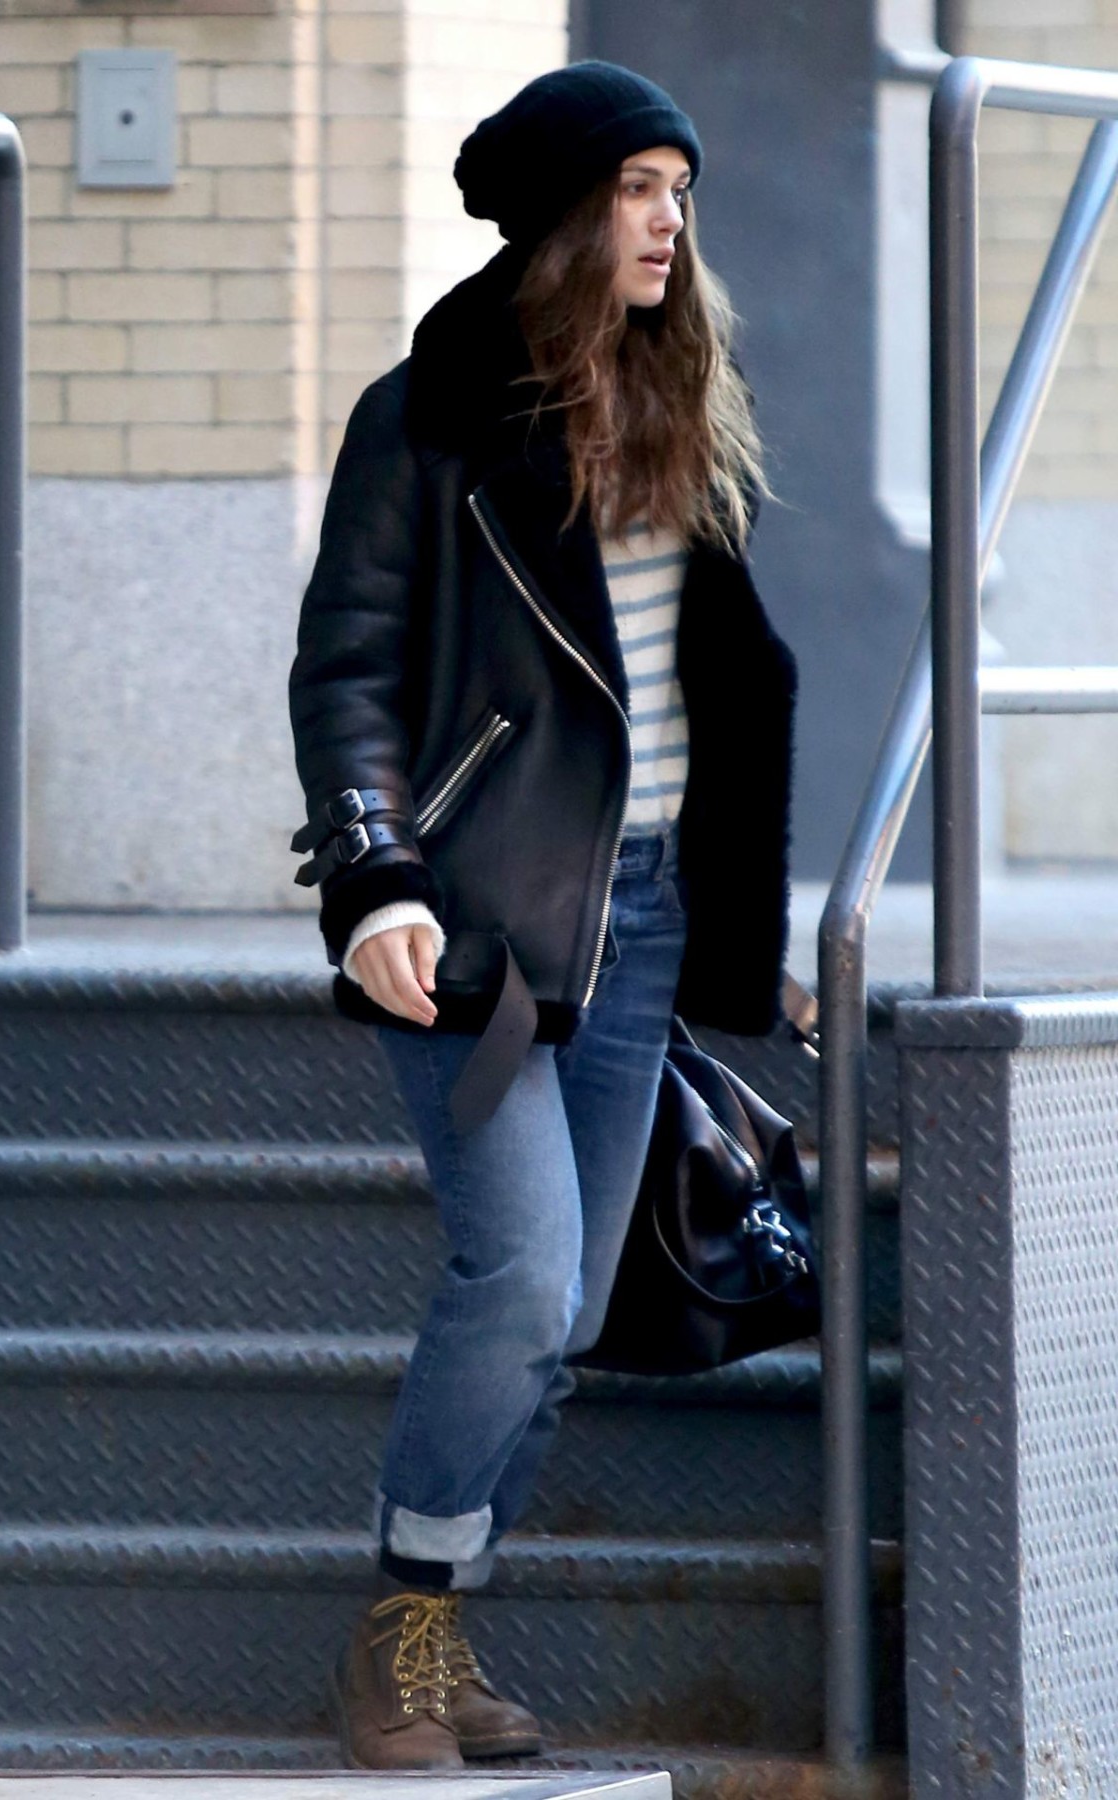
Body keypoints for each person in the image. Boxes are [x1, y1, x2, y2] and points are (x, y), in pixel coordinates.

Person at [288, 59, 796, 1771]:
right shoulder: (428, 417)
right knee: (518, 1277)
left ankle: (433, 1631)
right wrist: (375, 876)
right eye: (640, 190)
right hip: (482, 929)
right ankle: (399, 1640)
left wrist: (752, 929)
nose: (669, 224)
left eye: (680, 193)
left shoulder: (690, 397)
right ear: (568, 214)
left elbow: (714, 685)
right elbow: (346, 669)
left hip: (643, 918)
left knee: (566, 1313)